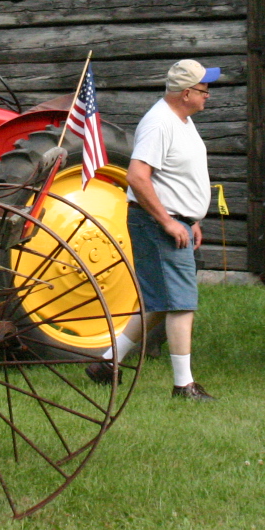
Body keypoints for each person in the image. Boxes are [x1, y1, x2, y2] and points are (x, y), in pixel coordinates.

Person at [90, 59, 219, 401]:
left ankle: (105, 364)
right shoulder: (159, 122)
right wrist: (168, 221)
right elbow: (137, 176)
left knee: (158, 304)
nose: (209, 95)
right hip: (158, 223)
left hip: (178, 222)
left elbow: (178, 176)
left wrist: (192, 220)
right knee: (181, 303)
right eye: (205, 90)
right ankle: (183, 385)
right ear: (186, 92)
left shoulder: (183, 120)